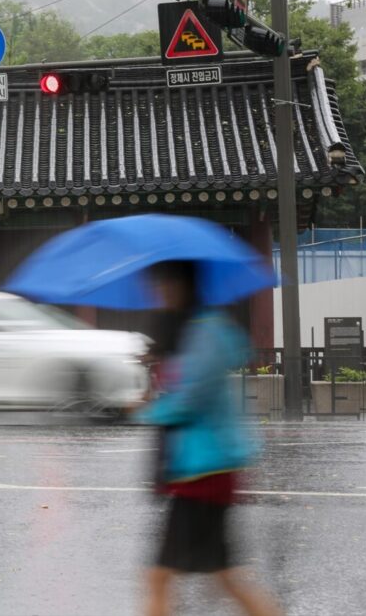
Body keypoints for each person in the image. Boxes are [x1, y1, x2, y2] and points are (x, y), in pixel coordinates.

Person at [133, 260, 281, 616]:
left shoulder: (205, 333)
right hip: (199, 469)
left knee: (161, 576)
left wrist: (144, 410)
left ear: (184, 286)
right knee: (222, 576)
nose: (159, 294)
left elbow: (191, 399)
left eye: (165, 286)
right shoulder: (191, 331)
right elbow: (184, 388)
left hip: (205, 470)